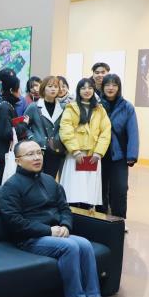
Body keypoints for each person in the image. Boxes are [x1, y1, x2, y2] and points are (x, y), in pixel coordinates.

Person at [0, 139, 108, 297]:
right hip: (30, 238)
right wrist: (48, 230)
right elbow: (14, 222)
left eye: (38, 153)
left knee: (85, 244)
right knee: (70, 247)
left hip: (56, 233)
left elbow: (64, 208)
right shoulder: (11, 187)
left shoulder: (49, 180)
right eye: (30, 154)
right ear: (18, 161)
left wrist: (65, 225)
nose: (37, 157)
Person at [59, 78, 111, 208]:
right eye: (83, 88)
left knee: (88, 193)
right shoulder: (71, 108)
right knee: (73, 191)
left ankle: (86, 215)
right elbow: (65, 130)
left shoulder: (100, 110)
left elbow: (106, 132)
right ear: (78, 91)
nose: (87, 91)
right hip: (75, 156)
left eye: (90, 88)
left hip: (92, 156)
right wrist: (75, 151)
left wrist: (98, 152)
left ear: (94, 90)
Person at [99, 74, 139, 222]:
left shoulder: (127, 107)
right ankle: (100, 218)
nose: (110, 88)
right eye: (107, 85)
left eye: (114, 85)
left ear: (119, 87)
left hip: (119, 154)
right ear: (102, 87)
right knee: (100, 188)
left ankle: (119, 221)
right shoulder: (96, 105)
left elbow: (133, 132)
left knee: (120, 189)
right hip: (98, 154)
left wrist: (132, 155)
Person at [23, 76, 68, 180]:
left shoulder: (63, 107)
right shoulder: (34, 106)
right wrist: (32, 137)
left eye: (56, 87)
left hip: (55, 150)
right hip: (38, 149)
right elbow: (23, 125)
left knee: (50, 179)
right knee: (35, 178)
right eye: (50, 86)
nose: (53, 89)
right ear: (43, 88)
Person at [0, 68, 22, 187]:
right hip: (2, 156)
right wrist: (23, 126)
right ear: (12, 90)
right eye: (19, 89)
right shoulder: (5, 107)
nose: (20, 92)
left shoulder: (6, 105)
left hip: (2, 155)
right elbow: (6, 132)